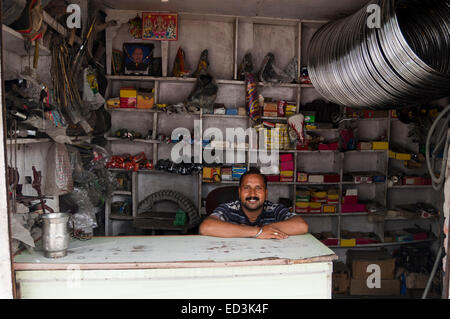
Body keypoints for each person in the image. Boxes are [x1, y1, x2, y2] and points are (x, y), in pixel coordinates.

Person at [199, 169, 308, 239]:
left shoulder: (273, 209)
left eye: (258, 188)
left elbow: (301, 226)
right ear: (239, 192)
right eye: (247, 188)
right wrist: (258, 232)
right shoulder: (229, 208)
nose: (252, 194)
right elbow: (206, 227)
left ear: (266, 193)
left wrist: (266, 230)